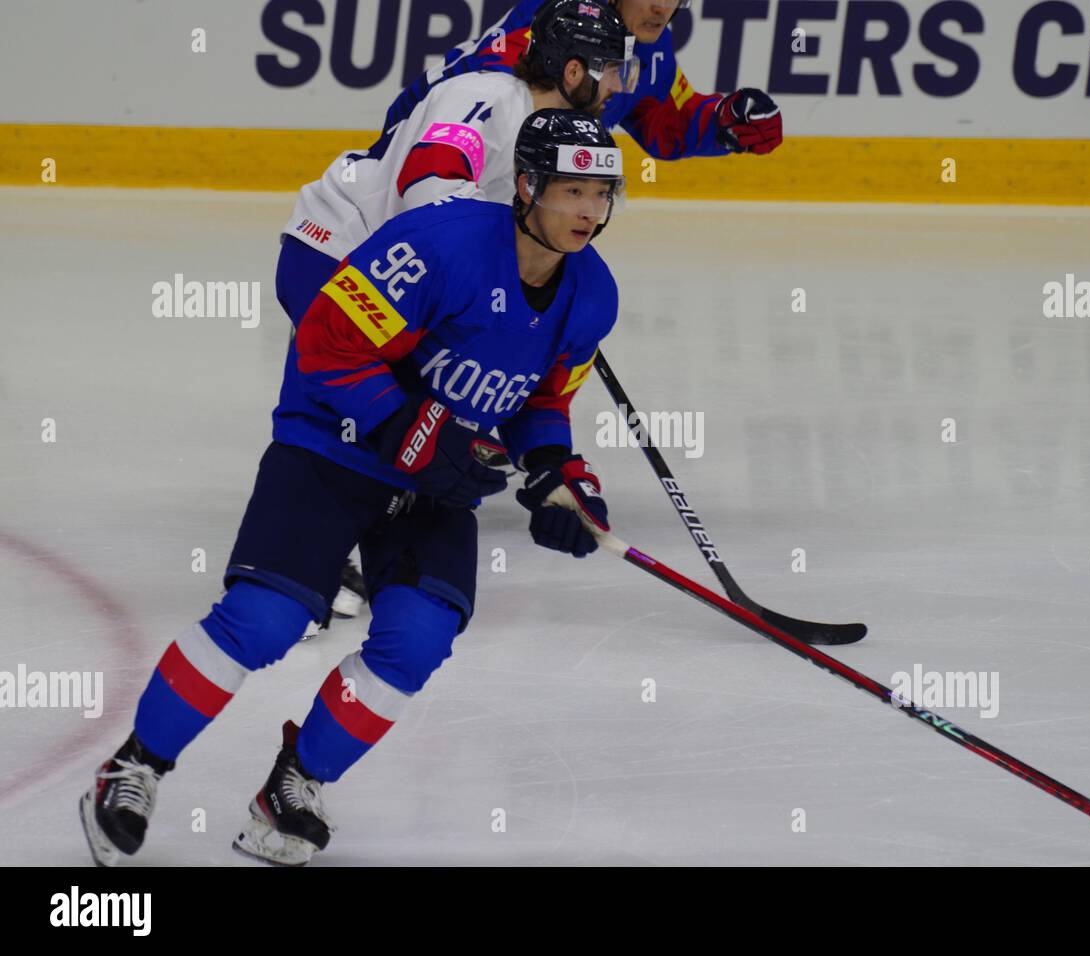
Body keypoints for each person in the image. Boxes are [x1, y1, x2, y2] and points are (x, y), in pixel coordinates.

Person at [80, 109, 626, 867]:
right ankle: (135, 765)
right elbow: (328, 338)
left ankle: (293, 787)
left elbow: (543, 403)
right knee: (266, 620)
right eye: (572, 190)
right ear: (527, 185)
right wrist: (402, 422)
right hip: (334, 443)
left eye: (602, 194)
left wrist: (560, 477)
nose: (589, 212)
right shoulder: (441, 244)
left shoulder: (593, 296)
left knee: (418, 638)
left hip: (437, 479)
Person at [280, 0, 634, 623]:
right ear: (574, 71)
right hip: (338, 246)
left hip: (413, 275)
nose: (618, 87)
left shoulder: (563, 140)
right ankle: (297, 564)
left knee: (418, 416)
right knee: (347, 399)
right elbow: (430, 195)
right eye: (611, 71)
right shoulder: (484, 96)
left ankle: (377, 547)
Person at [444, 0, 784, 159]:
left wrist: (723, 120)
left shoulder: (650, 45)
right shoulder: (558, 19)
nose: (663, 8)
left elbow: (659, 115)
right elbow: (473, 97)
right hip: (429, 163)